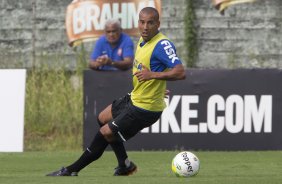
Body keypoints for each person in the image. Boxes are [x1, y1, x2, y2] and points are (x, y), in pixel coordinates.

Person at [46, 7, 186, 177]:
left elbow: (180, 72)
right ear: (138, 23)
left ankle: (72, 169)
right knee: (102, 118)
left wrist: (153, 76)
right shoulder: (142, 40)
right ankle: (125, 165)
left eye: (150, 23)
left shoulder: (162, 44)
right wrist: (156, 86)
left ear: (158, 24)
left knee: (106, 132)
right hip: (136, 97)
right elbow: (152, 70)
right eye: (142, 22)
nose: (145, 26)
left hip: (145, 108)